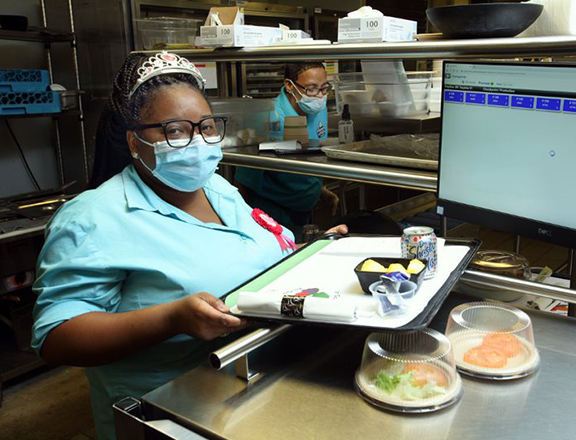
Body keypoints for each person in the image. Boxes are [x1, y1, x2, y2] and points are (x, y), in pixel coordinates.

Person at [30, 52, 346, 440]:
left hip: (256, 388)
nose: (198, 143)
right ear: (134, 141)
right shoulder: (92, 218)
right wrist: (172, 319)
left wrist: (311, 253)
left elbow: (254, 249)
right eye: (175, 131)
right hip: (172, 414)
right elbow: (56, 338)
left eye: (207, 127)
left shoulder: (217, 187)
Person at [234, 62, 339, 240]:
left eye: (324, 88)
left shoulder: (318, 110)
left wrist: (317, 189)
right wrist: (242, 226)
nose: (320, 96)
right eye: (312, 89)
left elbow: (308, 152)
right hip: (272, 212)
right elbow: (245, 180)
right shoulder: (267, 117)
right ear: (290, 85)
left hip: (303, 209)